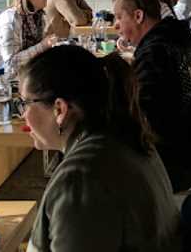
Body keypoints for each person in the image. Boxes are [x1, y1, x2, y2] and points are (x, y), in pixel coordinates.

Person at [20, 46, 182, 252]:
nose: (23, 115)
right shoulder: (128, 136)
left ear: (59, 109)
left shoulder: (81, 180)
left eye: (25, 103)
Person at [112, 0, 191, 192]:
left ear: (138, 16)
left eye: (119, 18)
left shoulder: (155, 53)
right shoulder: (179, 37)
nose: (116, 26)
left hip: (172, 163)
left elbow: (143, 115)